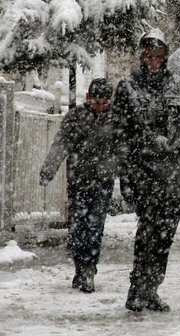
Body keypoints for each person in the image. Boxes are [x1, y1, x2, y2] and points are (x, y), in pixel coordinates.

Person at [112, 28, 180, 312]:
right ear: (141, 55)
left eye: (158, 55)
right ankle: (137, 288)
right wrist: (126, 174)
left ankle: (152, 288)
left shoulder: (179, 86)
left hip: (173, 173)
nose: (153, 61)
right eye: (149, 55)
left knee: (165, 234)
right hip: (143, 171)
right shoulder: (128, 87)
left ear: (166, 56)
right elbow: (120, 133)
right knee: (147, 231)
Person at [39, 78, 116, 293]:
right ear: (89, 98)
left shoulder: (116, 119)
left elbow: (124, 150)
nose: (101, 106)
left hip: (103, 181)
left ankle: (89, 269)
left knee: (95, 228)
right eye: (97, 101)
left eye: (105, 102)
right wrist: (49, 169)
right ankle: (81, 267)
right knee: (78, 227)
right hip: (79, 181)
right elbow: (61, 144)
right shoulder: (76, 117)